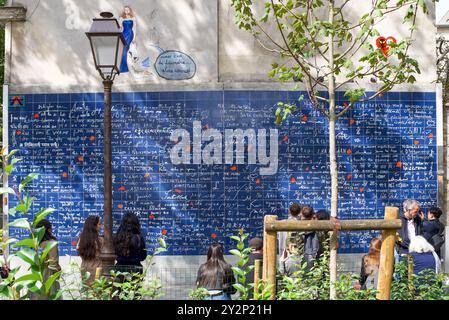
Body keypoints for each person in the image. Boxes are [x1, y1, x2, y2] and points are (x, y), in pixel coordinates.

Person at [279, 205, 320, 275]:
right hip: (311, 256)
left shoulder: (293, 226)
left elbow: (282, 272)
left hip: (294, 256)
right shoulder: (318, 228)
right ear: (313, 215)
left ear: (300, 214)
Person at [33, 219, 61, 299]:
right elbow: (53, 264)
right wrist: (59, 272)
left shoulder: (36, 244)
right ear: (48, 229)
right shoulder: (51, 243)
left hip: (37, 276)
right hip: (49, 276)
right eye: (51, 228)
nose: (52, 230)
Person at [77, 215, 104, 285]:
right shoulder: (100, 240)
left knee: (87, 293)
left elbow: (79, 252)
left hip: (84, 269)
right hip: (97, 270)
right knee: (97, 293)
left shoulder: (81, 239)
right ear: (94, 226)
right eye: (99, 224)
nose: (101, 226)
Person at [119, 6, 137, 73]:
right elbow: (120, 28)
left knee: (126, 49)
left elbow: (134, 28)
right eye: (125, 10)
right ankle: (123, 67)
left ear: (130, 10)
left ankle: (124, 67)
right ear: (124, 11)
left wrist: (134, 38)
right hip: (124, 34)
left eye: (127, 10)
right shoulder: (121, 18)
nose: (126, 11)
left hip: (130, 34)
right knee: (123, 49)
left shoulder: (133, 18)